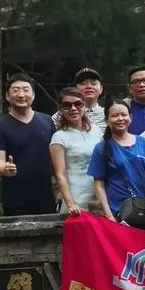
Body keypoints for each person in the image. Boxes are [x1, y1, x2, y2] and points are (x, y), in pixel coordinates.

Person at [0, 74, 56, 216]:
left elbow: (57, 158)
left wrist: (60, 188)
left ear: (33, 95)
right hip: (15, 197)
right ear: (7, 96)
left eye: (25, 90)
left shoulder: (47, 121)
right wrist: (4, 168)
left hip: (46, 195)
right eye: (16, 90)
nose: (21, 94)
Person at [86, 101, 145, 221]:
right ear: (107, 120)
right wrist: (108, 215)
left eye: (124, 114)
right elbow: (99, 183)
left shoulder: (143, 143)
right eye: (115, 115)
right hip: (118, 212)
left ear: (130, 117)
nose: (120, 119)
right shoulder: (101, 148)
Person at [49, 86, 100, 216]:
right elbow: (60, 175)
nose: (73, 108)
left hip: (99, 196)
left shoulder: (96, 130)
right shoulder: (59, 137)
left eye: (78, 104)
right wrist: (70, 203)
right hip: (76, 198)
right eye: (67, 105)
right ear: (61, 109)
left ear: (84, 105)